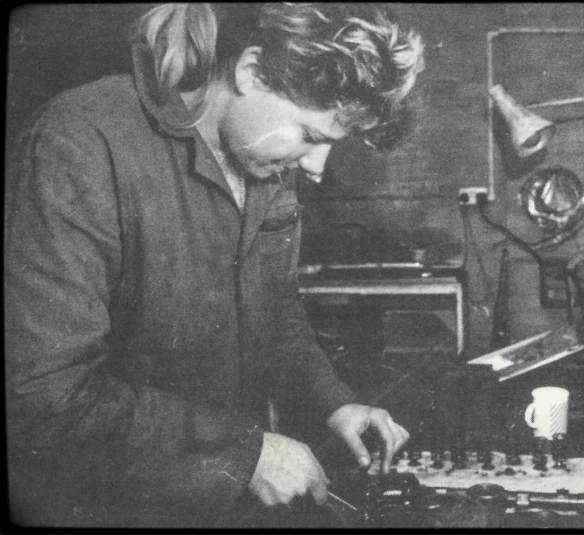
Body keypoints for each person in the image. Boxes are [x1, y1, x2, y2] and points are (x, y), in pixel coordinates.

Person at [4, 3, 425, 527]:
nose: (316, 167)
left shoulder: (266, 165)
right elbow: (43, 395)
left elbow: (276, 314)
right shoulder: (81, 141)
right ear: (250, 73)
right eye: (312, 137)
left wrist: (332, 404)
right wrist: (243, 455)